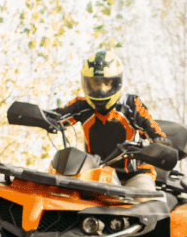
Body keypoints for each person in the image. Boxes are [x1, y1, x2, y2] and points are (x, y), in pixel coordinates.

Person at [59, 49, 171, 190]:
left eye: (107, 83)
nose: (101, 89)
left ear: (116, 83)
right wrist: (35, 116)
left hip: (135, 176)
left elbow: (152, 128)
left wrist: (159, 140)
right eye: (96, 83)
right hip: (97, 174)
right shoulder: (81, 106)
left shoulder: (131, 105)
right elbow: (56, 117)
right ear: (87, 83)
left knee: (144, 199)